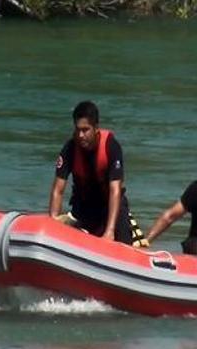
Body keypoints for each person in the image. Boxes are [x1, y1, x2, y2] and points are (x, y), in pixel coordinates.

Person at [48, 100, 146, 246]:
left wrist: (110, 231)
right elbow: (58, 190)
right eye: (78, 130)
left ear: (96, 128)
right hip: (84, 208)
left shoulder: (111, 146)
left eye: (85, 130)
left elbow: (115, 191)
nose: (81, 135)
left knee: (124, 243)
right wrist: (53, 221)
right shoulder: (70, 148)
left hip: (110, 207)